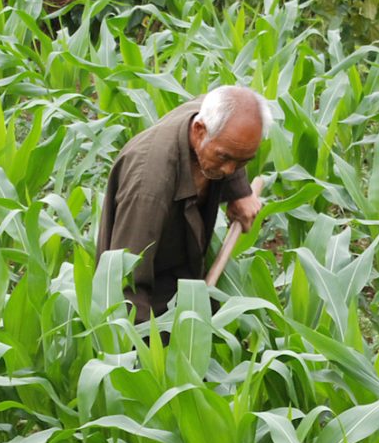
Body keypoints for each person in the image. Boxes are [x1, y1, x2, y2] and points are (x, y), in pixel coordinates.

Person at [96, 85, 276, 322]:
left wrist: (239, 191)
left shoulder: (212, 118)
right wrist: (142, 349)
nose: (229, 170)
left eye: (242, 162)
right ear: (199, 131)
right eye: (224, 158)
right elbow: (125, 284)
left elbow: (233, 143)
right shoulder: (148, 186)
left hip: (183, 273)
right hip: (151, 299)